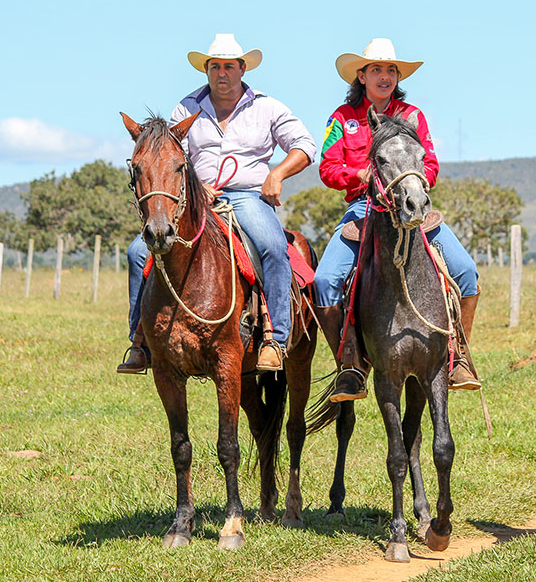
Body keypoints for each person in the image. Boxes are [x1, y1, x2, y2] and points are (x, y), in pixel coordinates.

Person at [117, 34, 317, 374]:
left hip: (248, 195)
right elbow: (171, 155)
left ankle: (275, 340)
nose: (221, 73)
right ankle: (141, 343)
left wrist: (277, 175)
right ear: (206, 70)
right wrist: (197, 186)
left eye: (228, 66)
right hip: (198, 202)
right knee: (138, 252)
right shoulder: (188, 107)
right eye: (214, 67)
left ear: (242, 68)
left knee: (271, 246)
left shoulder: (267, 107)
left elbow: (305, 145)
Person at [314, 37, 481, 402]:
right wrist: (358, 176)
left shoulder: (413, 116)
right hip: (365, 209)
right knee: (325, 280)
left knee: (466, 272)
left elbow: (431, 163)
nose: (385, 76)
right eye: (376, 70)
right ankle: (351, 364)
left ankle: (460, 358)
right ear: (361, 76)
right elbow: (327, 168)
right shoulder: (341, 120)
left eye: (391, 70)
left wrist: (414, 183)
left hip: (413, 206)